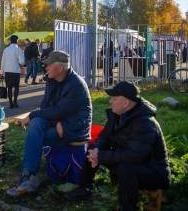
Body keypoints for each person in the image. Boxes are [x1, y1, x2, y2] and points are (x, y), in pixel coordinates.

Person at [66, 81, 171, 211]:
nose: (110, 101)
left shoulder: (145, 123)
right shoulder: (118, 114)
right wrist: (96, 151)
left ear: (126, 103)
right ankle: (85, 188)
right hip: (128, 161)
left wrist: (101, 156)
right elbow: (104, 137)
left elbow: (135, 157)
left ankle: (127, 207)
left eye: (114, 99)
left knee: (125, 168)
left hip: (153, 172)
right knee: (92, 148)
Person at [7, 50, 92, 196]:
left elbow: (59, 110)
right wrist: (52, 119)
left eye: (48, 65)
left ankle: (29, 177)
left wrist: (34, 115)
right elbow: (47, 108)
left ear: (60, 67)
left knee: (35, 133)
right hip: (60, 123)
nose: (45, 68)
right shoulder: (53, 80)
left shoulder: (76, 84)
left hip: (74, 129)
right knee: (37, 123)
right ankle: (28, 175)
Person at [1, 35, 24, 109]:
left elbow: (3, 61)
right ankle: (15, 102)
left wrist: (2, 71)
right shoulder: (19, 50)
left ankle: (10, 103)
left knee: (9, 87)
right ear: (16, 41)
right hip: (16, 71)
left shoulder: (6, 50)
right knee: (16, 87)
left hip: (7, 71)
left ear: (10, 41)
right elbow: (22, 62)